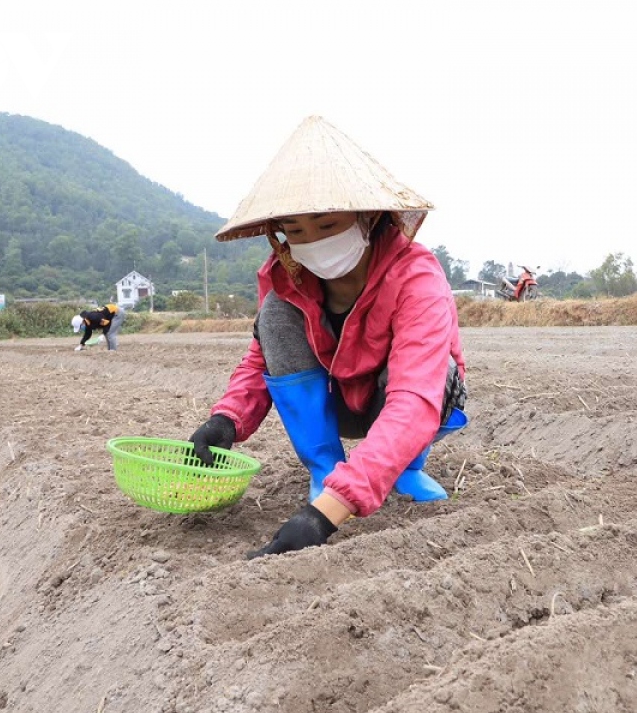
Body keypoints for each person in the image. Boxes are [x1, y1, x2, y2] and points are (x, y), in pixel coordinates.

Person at [189, 116, 468, 560]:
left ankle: (405, 467)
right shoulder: (285, 281)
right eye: (295, 231)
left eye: (325, 224)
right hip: (336, 402)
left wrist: (324, 516)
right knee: (274, 317)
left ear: (366, 217)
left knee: (442, 372)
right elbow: (262, 360)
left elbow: (415, 396)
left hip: (398, 402)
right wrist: (227, 420)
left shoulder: (416, 278)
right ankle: (326, 469)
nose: (311, 242)